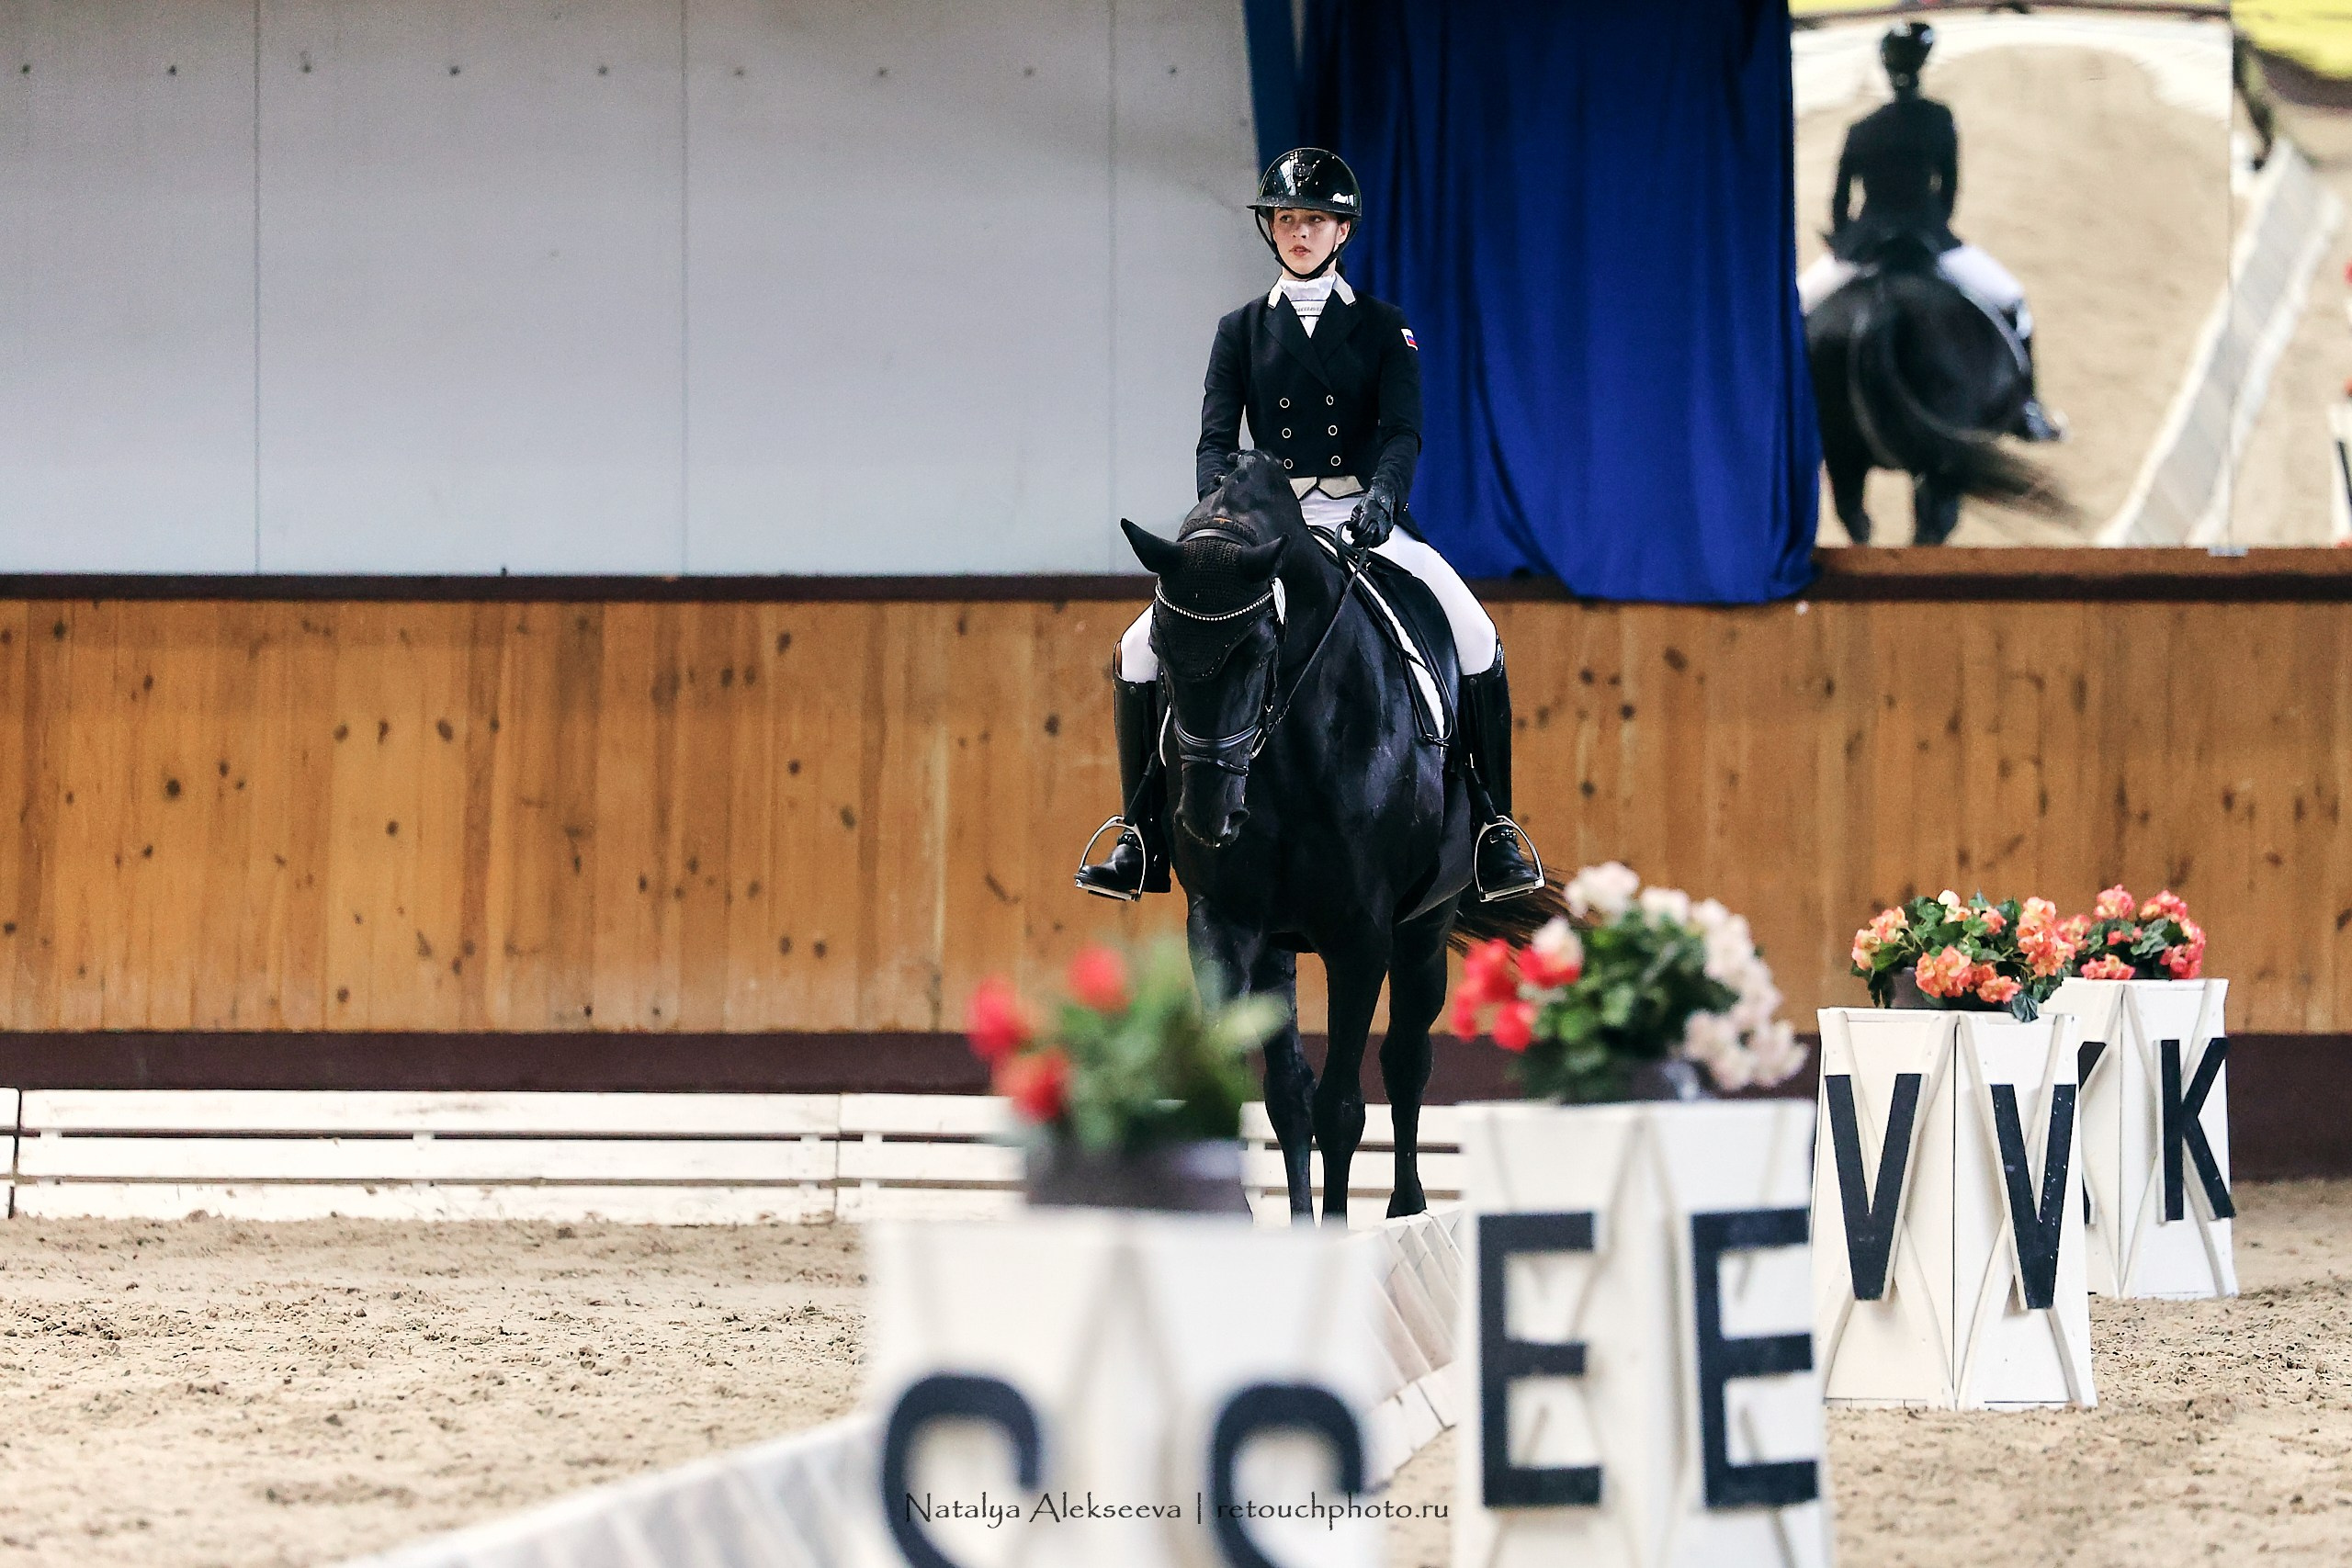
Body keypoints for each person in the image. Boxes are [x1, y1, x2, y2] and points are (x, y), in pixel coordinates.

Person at [1075, 148, 1544, 905]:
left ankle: (1494, 826)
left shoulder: (1384, 328)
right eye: (1287, 219)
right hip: (1266, 526)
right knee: (1136, 649)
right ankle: (1139, 834)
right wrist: (1221, 517)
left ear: (1341, 231)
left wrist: (1383, 499)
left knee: (1477, 635)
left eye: (1314, 221)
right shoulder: (1240, 329)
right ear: (1272, 229)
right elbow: (1214, 440)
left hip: (1364, 519)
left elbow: (1402, 432)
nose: (1299, 232)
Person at [1797, 22, 2066, 444]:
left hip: (1864, 244)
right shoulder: (1939, 119)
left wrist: (1846, 239)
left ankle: (1780, 405)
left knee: (1795, 312)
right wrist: (1929, 227)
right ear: (1924, 65)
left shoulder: (1861, 128)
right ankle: (2027, 407)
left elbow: (1839, 203)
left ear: (1884, 68)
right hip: (1928, 240)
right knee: (2013, 302)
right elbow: (1949, 191)